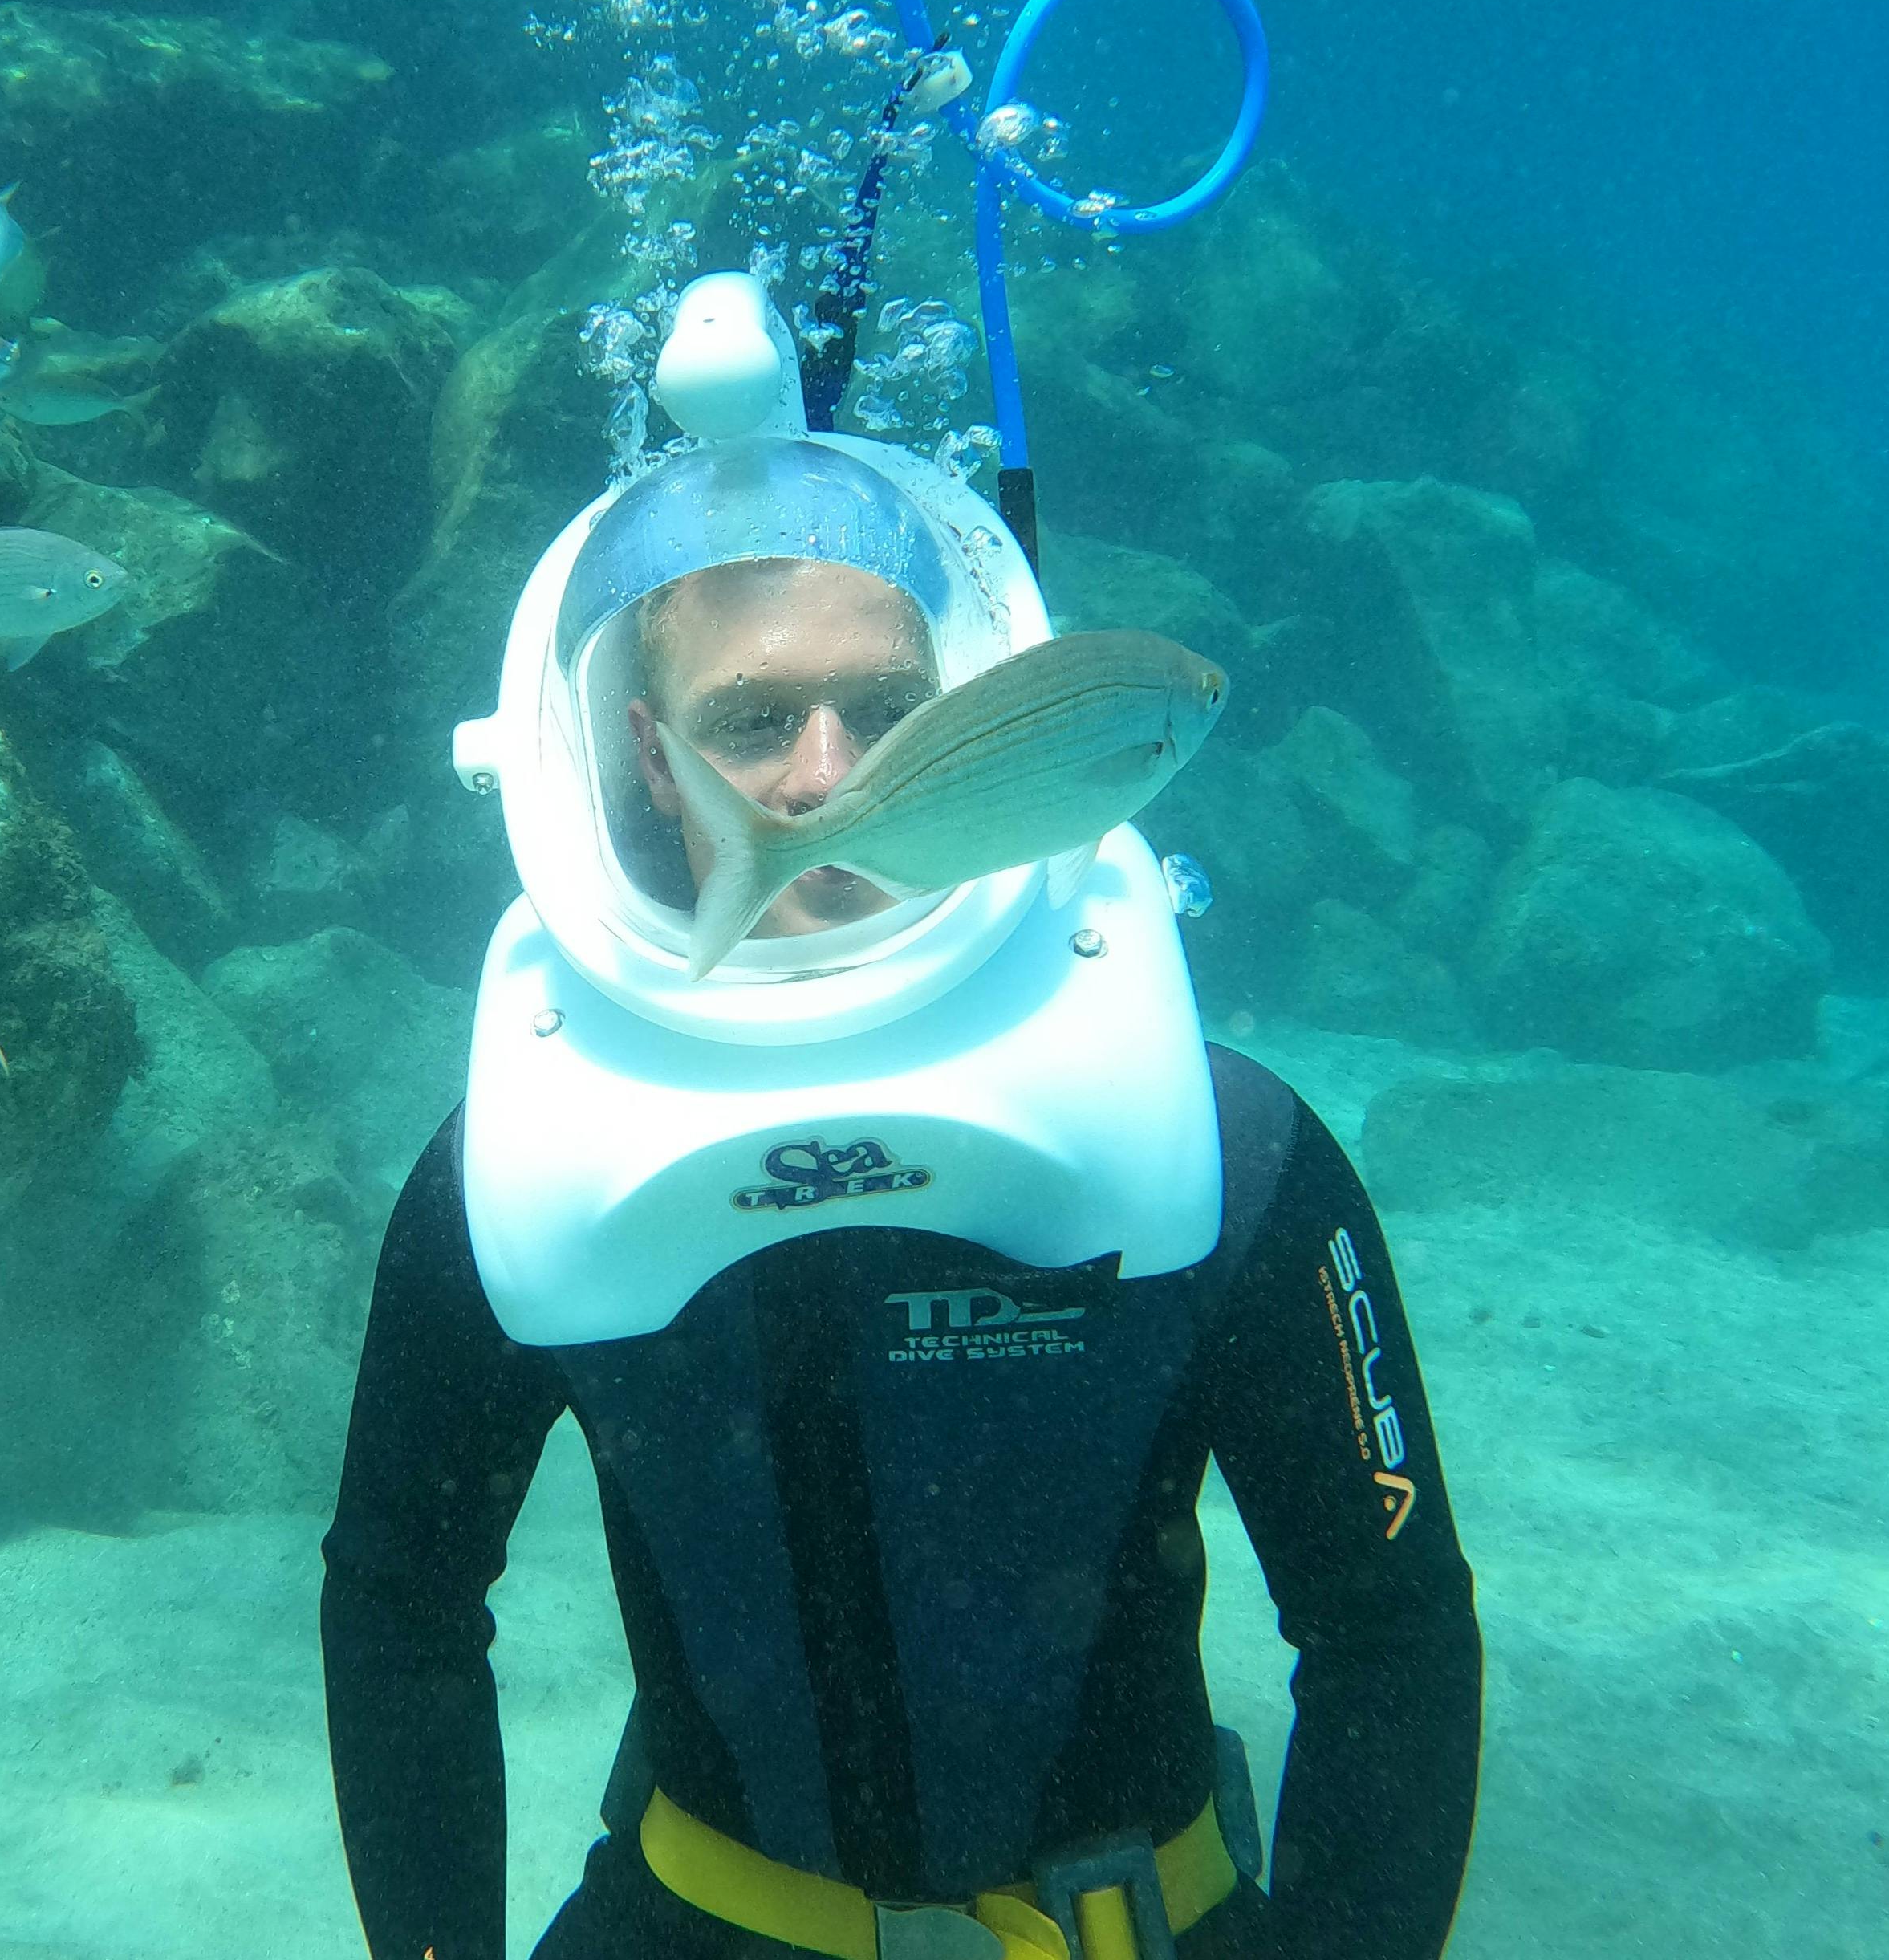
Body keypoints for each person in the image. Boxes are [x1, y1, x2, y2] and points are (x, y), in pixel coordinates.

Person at [323, 276, 1481, 1960]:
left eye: (885, 707)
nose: (820, 772)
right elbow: (402, 1612)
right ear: (645, 755)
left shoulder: (1227, 1142)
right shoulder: (512, 1158)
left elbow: (1389, 1627)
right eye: (748, 718)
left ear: (972, 706)